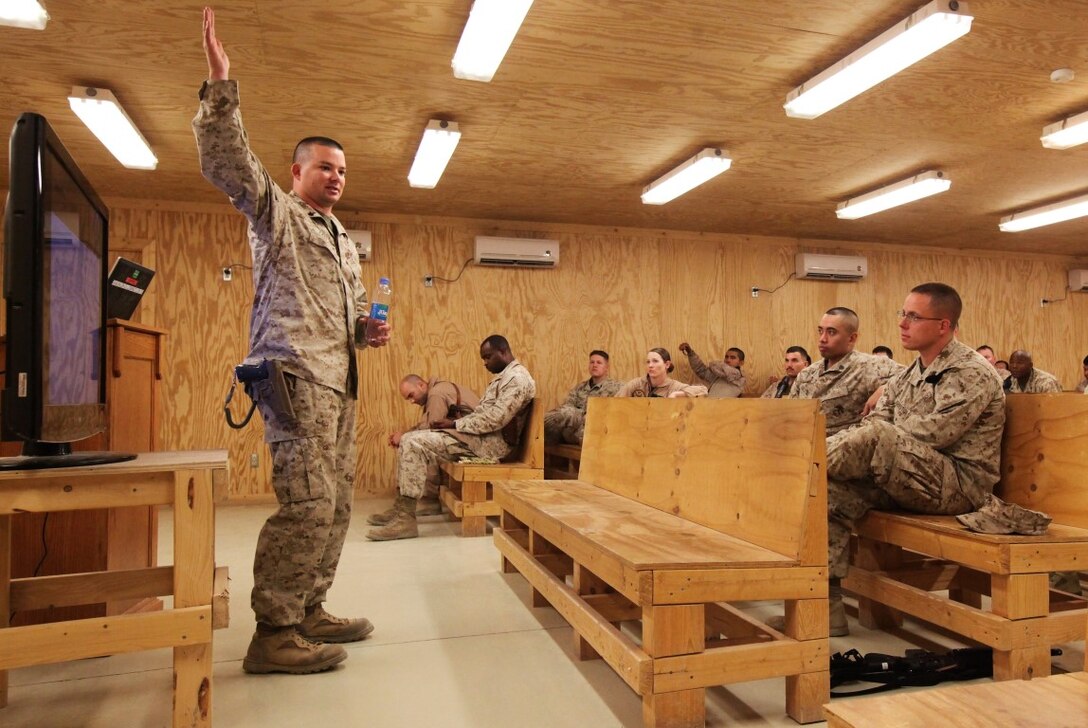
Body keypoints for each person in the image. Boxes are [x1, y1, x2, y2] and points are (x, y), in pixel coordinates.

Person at [194, 8, 388, 674]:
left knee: (332, 505)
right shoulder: (276, 213)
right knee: (305, 504)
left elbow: (353, 311)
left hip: (339, 383)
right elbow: (228, 162)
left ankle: (308, 608)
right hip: (295, 378)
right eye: (324, 167)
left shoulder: (342, 241)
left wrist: (369, 327)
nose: (335, 176)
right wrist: (222, 88)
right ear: (298, 171)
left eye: (342, 171)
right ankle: (273, 633)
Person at [821, 284, 1005, 636]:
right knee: (827, 491)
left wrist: (870, 436)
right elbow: (877, 420)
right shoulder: (908, 374)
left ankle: (799, 466)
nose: (903, 323)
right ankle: (826, 608)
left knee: (874, 438)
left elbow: (936, 433)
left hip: (958, 486)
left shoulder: (972, 372)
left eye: (914, 316)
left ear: (943, 325)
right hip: (907, 476)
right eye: (902, 314)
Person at [367, 335, 536, 541]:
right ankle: (402, 510)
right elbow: (485, 416)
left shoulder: (517, 379)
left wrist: (455, 424)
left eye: (488, 357)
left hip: (492, 447)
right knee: (413, 440)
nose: (485, 363)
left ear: (503, 351)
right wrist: (454, 426)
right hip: (480, 439)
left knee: (411, 441)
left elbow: (495, 419)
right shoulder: (505, 377)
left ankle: (405, 519)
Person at [367, 375, 481, 524]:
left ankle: (410, 511)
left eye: (411, 396)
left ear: (421, 385)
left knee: (415, 444)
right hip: (467, 439)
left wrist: (404, 435)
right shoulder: (438, 390)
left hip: (476, 444)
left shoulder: (436, 393)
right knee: (414, 442)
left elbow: (431, 427)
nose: (412, 401)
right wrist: (405, 435)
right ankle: (408, 507)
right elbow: (431, 426)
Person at [789, 307, 902, 436]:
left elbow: (915, 378)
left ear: (851, 338)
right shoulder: (805, 375)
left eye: (831, 332)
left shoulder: (869, 366)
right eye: (820, 331)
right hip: (804, 445)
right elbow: (790, 418)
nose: (822, 339)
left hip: (844, 448)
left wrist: (886, 387)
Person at [544, 350, 621, 445]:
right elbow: (567, 406)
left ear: (606, 367)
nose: (594, 365)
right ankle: (538, 428)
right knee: (564, 415)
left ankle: (538, 426)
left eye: (599, 363)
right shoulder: (580, 387)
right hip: (574, 428)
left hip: (596, 430)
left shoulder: (617, 388)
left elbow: (617, 414)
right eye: (592, 362)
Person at [616, 348, 708, 398]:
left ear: (667, 364)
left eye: (655, 361)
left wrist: (676, 394)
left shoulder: (674, 386)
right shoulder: (637, 384)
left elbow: (703, 391)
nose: (650, 365)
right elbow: (614, 402)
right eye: (648, 362)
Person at [677, 343, 746, 397]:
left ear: (741, 363)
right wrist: (690, 353)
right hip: (710, 409)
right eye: (726, 357)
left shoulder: (739, 378)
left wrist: (715, 366)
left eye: (733, 358)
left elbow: (731, 373)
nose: (728, 360)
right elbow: (701, 370)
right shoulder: (719, 375)